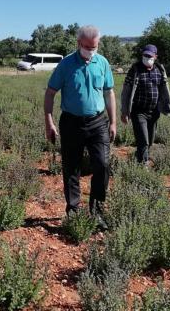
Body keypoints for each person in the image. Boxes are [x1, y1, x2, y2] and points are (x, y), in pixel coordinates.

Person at [44, 25, 116, 226]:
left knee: (102, 164)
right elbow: (50, 92)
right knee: (71, 167)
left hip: (98, 122)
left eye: (94, 47)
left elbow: (109, 92)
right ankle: (73, 210)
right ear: (78, 43)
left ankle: (97, 210)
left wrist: (113, 122)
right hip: (71, 122)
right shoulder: (66, 64)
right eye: (86, 47)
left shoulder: (102, 63)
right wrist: (48, 121)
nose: (90, 51)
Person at [120, 44, 170, 164]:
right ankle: (143, 164)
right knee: (143, 139)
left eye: (149, 56)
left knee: (150, 139)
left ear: (155, 56)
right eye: (145, 55)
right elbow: (126, 92)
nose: (147, 57)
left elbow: (165, 88)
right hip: (138, 112)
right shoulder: (135, 70)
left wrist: (167, 106)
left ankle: (139, 157)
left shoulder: (160, 70)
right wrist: (124, 111)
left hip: (154, 111)